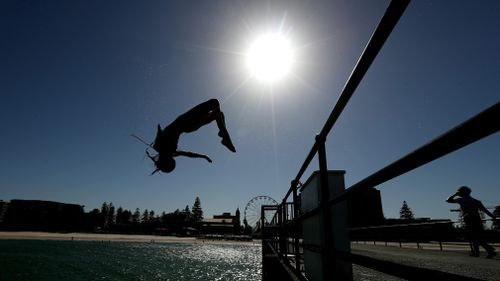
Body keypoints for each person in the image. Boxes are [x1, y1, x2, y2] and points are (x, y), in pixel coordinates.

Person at [147, 99, 236, 174]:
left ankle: (224, 137)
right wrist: (204, 156)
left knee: (219, 114)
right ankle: (225, 137)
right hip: (187, 124)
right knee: (215, 104)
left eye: (171, 160)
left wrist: (159, 133)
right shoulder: (167, 150)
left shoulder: (160, 147)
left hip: (189, 126)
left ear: (166, 161)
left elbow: (188, 154)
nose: (172, 157)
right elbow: (189, 154)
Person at [446, 186, 497, 258]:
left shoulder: (461, 200)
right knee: (476, 236)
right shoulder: (476, 201)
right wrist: (494, 217)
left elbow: (448, 200)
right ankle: (483, 251)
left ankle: (487, 249)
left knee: (474, 236)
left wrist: (455, 194)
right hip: (477, 219)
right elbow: (485, 211)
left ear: (461, 192)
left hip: (469, 219)